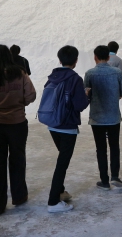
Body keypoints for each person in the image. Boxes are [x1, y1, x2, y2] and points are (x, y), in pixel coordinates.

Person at [0, 45, 36, 216]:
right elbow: (31, 95)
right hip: (17, 122)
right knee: (18, 159)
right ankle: (19, 196)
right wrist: (20, 103)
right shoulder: (20, 74)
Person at [44, 45, 90, 213]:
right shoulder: (75, 79)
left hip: (52, 124)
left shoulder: (52, 76)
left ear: (60, 59)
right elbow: (79, 105)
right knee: (62, 163)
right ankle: (53, 202)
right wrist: (87, 95)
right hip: (68, 126)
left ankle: (61, 192)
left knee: (62, 159)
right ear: (76, 61)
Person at [84, 45, 122, 190]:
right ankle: (115, 176)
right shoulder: (117, 72)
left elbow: (86, 93)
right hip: (113, 116)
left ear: (95, 57)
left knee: (100, 148)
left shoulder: (89, 73)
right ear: (108, 57)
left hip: (97, 117)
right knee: (114, 146)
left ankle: (104, 181)